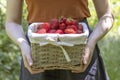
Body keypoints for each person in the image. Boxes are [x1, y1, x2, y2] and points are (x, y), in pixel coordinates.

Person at [5, 0, 114, 80]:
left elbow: (106, 15)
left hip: (79, 47)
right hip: (38, 50)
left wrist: (91, 43)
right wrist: (23, 44)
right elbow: (12, 22)